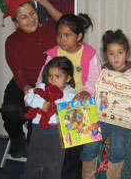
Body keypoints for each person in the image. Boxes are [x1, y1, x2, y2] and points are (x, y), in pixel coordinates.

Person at [81, 29, 131, 179]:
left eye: (120, 52)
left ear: (127, 54)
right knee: (91, 141)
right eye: (111, 53)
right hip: (104, 115)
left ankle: (113, 176)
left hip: (125, 119)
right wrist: (89, 99)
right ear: (105, 55)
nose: (116, 57)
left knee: (118, 144)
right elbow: (97, 91)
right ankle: (87, 175)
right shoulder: (104, 72)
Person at [37, 13, 102, 178]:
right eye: (59, 34)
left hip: (78, 101)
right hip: (55, 100)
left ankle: (75, 172)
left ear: (79, 36)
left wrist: (86, 91)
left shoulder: (88, 53)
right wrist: (40, 92)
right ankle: (46, 169)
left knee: (76, 144)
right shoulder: (53, 53)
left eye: (67, 35)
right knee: (47, 139)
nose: (62, 39)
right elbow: (43, 77)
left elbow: (95, 77)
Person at [0, 0, 57, 158]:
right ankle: (16, 139)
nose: (31, 19)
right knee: (10, 110)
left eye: (32, 13)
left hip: (47, 86)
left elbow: (72, 29)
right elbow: (18, 70)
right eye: (24, 17)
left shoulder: (52, 32)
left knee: (37, 127)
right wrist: (26, 88)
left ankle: (32, 139)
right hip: (22, 83)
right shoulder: (12, 41)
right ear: (16, 23)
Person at [21, 56, 77, 179]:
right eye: (50, 76)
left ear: (68, 78)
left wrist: (59, 108)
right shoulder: (41, 87)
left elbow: (74, 112)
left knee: (54, 162)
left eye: (58, 76)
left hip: (57, 132)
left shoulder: (71, 94)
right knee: (34, 158)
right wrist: (41, 103)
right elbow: (28, 97)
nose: (52, 80)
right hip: (37, 128)